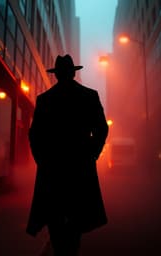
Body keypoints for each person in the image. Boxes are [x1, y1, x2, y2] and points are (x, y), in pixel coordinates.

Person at [26, 54, 109, 255]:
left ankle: (60, 250)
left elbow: (34, 135)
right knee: (77, 215)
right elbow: (101, 129)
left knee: (54, 214)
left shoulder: (44, 99)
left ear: (56, 75)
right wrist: (92, 154)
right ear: (73, 73)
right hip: (80, 166)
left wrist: (43, 161)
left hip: (52, 168)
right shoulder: (89, 96)